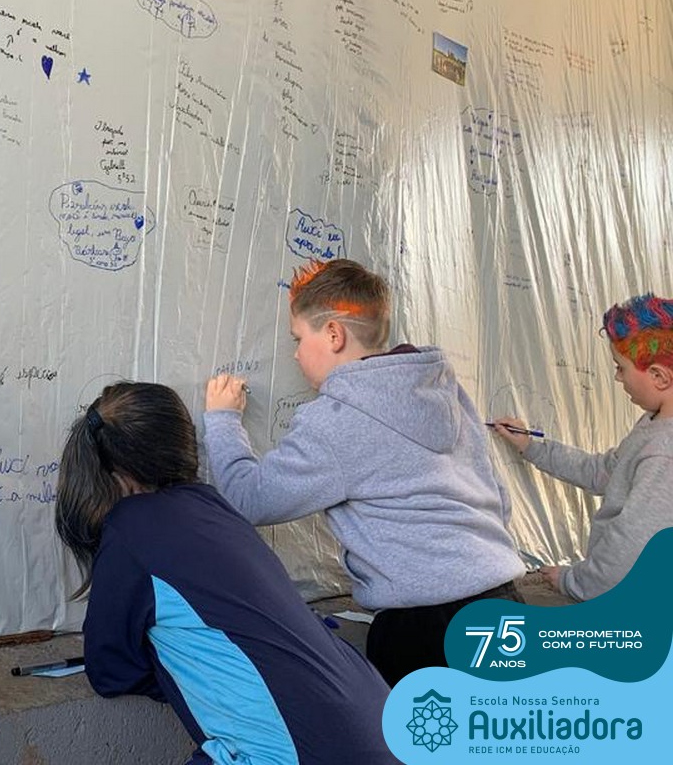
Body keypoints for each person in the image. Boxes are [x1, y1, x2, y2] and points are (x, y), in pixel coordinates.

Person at [204, 259, 524, 686]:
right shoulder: (445, 391)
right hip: (505, 605)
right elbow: (498, 496)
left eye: (298, 338)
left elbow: (248, 499)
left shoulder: (339, 417)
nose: (295, 354)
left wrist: (222, 420)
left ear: (333, 334)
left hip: (427, 631)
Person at [55, 381, 397, 765]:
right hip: (381, 725)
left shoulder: (129, 531)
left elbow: (110, 670)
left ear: (115, 471)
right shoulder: (214, 506)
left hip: (298, 752)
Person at [492, 293, 673, 600]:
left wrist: (571, 581)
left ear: (658, 376)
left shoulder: (663, 453)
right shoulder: (653, 424)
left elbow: (631, 545)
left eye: (621, 367)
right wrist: (531, 446)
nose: (617, 377)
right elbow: (602, 472)